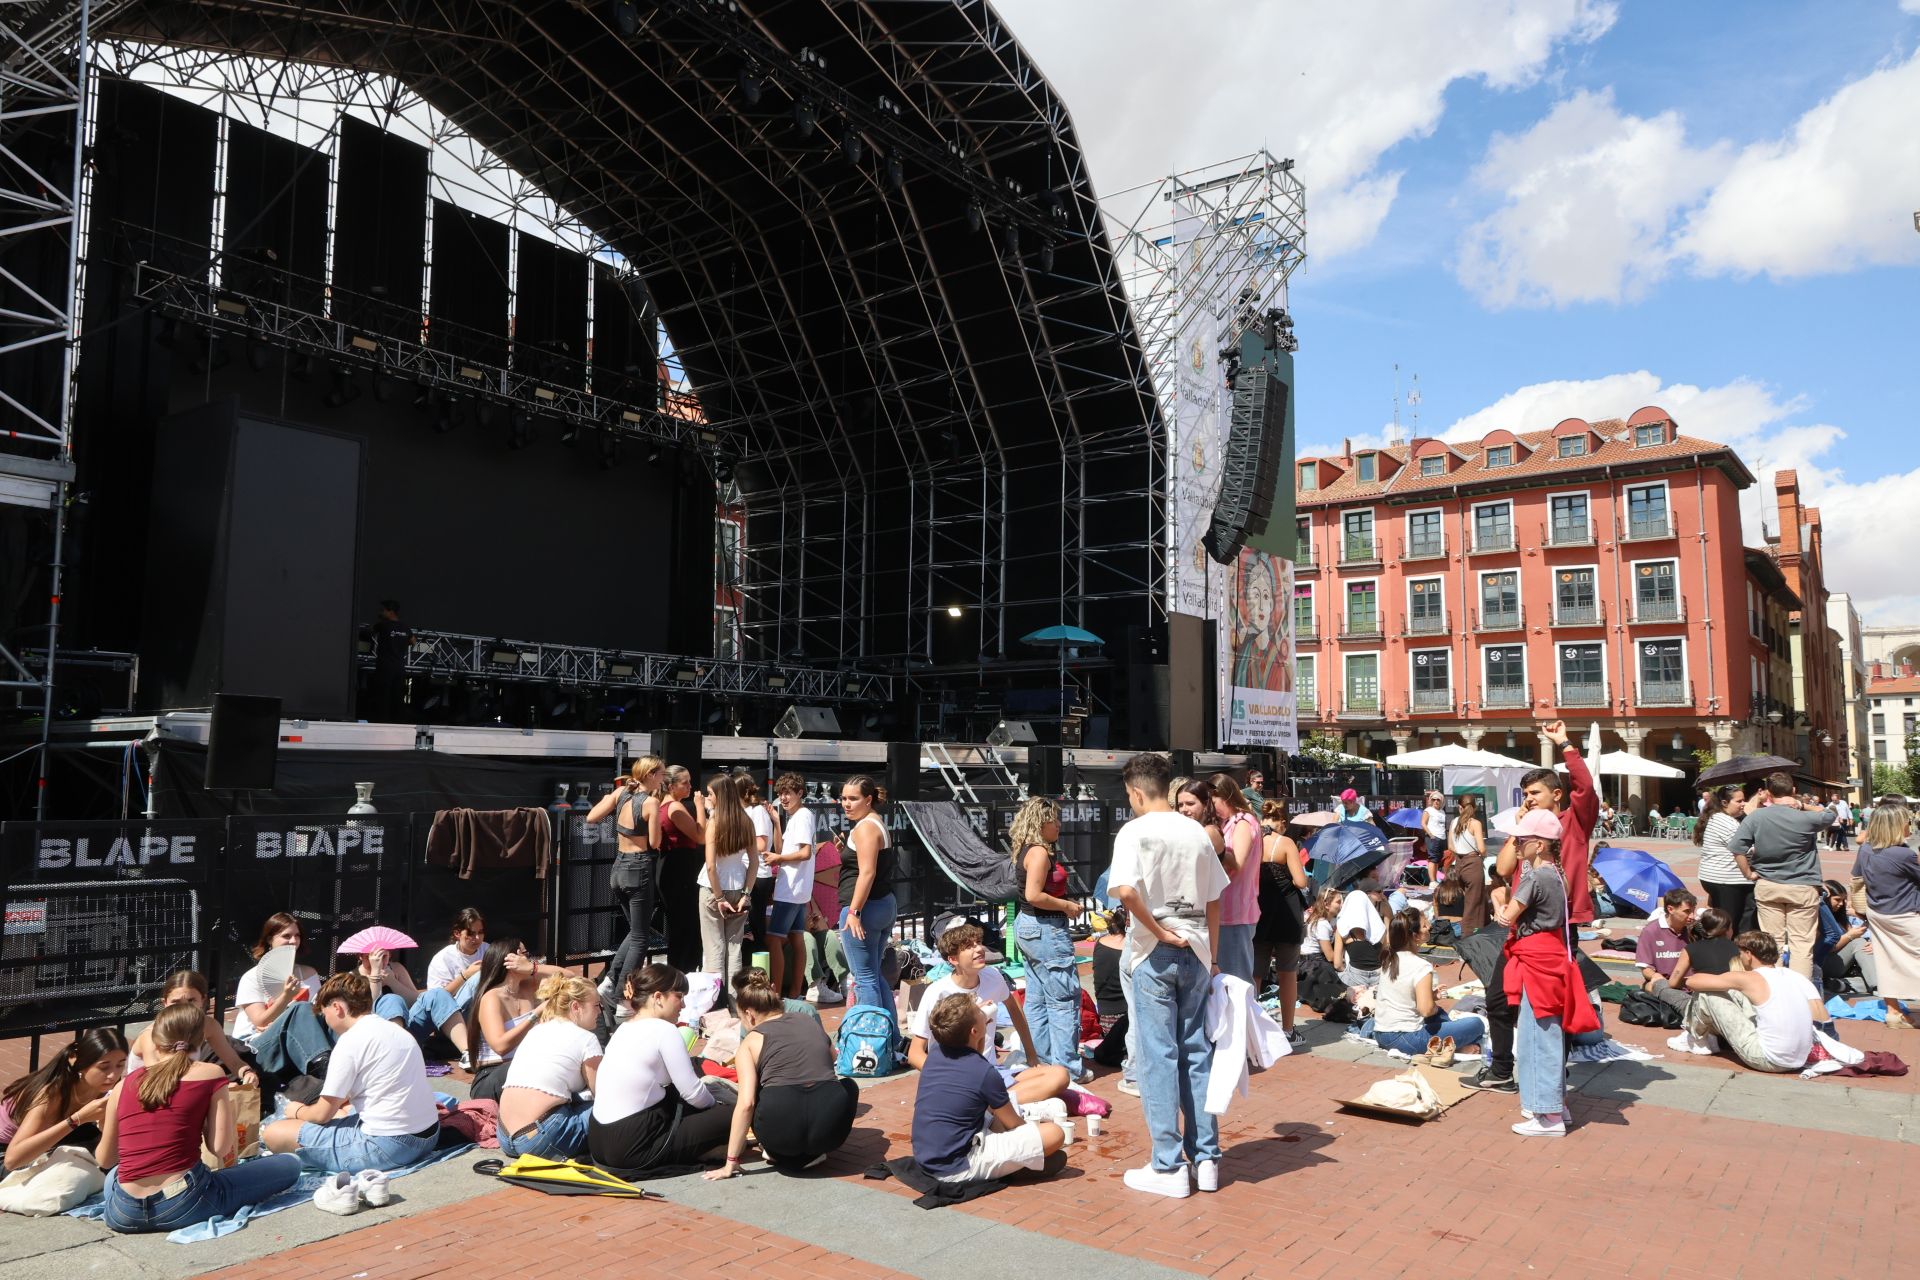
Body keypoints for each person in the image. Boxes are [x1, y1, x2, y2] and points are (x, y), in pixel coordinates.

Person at [1107, 752, 1229, 1200]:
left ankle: (1168, 1163)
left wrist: (1157, 929)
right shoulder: (1195, 832)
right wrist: (1211, 954)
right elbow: (1216, 898)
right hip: (1196, 947)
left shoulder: (1134, 831)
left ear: (1136, 792)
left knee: (1159, 1055)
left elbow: (1124, 890)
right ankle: (1207, 1158)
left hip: (1154, 949)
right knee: (1197, 1052)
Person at [97, 1004, 300, 1233]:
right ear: (201, 1040)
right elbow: (221, 1148)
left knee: (115, 1175)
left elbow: (104, 1160)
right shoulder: (210, 1073)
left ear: (155, 1041)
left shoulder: (124, 1085)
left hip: (123, 1212)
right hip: (185, 1201)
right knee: (290, 1165)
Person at [261, 973, 440, 1172]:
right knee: (343, 1111)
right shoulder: (396, 1030)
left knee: (274, 1133)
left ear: (337, 1008)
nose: (325, 1021)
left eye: (324, 1013)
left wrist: (296, 1110)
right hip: (429, 1136)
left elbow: (321, 1115)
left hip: (388, 1145)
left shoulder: (350, 1042)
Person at [1494, 808, 1595, 1139]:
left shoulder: (1535, 876)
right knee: (1548, 1032)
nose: (1517, 844)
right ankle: (1555, 1105)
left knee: (1537, 1036)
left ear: (1539, 844)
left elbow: (1508, 917)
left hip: (1536, 958)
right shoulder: (1558, 874)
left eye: (1522, 840)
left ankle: (1546, 1113)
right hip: (1551, 956)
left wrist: (1497, 902)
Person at [704, 970, 857, 1177]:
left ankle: (782, 1151)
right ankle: (814, 1151)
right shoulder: (808, 1021)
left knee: (753, 1088)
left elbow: (746, 1103)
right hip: (829, 1135)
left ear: (749, 1014)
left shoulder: (750, 1041)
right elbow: (831, 1059)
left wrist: (731, 1162)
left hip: (780, 1137)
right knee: (849, 1086)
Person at [589, 964, 736, 1174]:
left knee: (676, 1099)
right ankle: (706, 1148)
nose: (684, 1004)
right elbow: (692, 1092)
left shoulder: (624, 1029)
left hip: (600, 1141)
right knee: (735, 1114)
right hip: (632, 1144)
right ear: (658, 997)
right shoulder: (665, 1030)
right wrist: (716, 1106)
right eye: (679, 996)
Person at [906, 923, 1071, 1105]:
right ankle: (995, 1102)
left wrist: (1032, 1055)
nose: (979, 949)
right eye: (969, 947)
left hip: (991, 1071)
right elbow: (915, 1053)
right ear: (953, 959)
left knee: (1059, 1075)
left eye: (978, 942)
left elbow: (1014, 1007)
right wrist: (947, 1077)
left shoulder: (992, 976)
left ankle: (993, 1103)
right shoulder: (937, 992)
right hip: (959, 1078)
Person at [911, 993, 1066, 1186]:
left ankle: (1016, 1161)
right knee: (1054, 1133)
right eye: (979, 1012)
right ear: (974, 1032)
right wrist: (1033, 1140)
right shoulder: (983, 1072)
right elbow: (1014, 1125)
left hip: (927, 1156)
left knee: (994, 1113)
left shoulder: (935, 1055)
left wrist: (977, 1022)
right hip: (959, 1166)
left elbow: (972, 1056)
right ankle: (1012, 1167)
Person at [1727, 772, 1835, 981]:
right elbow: (1829, 814)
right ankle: (1800, 994)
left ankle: (1772, 990)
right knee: (1802, 944)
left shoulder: (1757, 817)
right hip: (1803, 886)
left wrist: (1748, 873)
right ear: (1793, 791)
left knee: (1771, 942)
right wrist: (1803, 805)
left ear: (1768, 793)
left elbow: (1737, 849)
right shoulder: (1806, 817)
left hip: (1768, 884)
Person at [1010, 796, 1087, 1078]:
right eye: (1055, 819)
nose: (1059, 825)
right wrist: (1066, 906)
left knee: (1038, 997)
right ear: (1042, 822)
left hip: (1029, 925)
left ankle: (1041, 1061)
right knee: (1063, 999)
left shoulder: (1028, 850)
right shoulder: (1040, 853)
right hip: (1045, 927)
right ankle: (1067, 1067)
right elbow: (1033, 894)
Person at [1670, 932, 1824, 1071]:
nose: (1739, 957)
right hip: (1799, 1058)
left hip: (1768, 1059)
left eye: (1740, 953)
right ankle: (1706, 1035)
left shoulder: (1749, 978)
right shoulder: (1793, 976)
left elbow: (1693, 983)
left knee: (1707, 994)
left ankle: (1695, 1039)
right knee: (1734, 992)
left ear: (1749, 954)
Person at [587, 757, 666, 1009]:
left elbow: (591, 817)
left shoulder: (622, 792)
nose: (663, 778)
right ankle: (621, 994)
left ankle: (610, 982)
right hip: (639, 866)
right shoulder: (651, 802)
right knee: (641, 937)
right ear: (651, 775)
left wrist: (615, 797)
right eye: (661, 774)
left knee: (635, 931)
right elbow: (654, 842)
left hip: (618, 867)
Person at [498, 974, 603, 1159]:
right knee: (617, 1109)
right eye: (595, 1005)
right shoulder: (586, 1039)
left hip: (505, 1136)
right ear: (576, 1007)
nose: (600, 1011)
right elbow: (602, 1095)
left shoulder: (536, 1030)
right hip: (540, 1137)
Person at [0, 1029, 127, 1171]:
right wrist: (77, 1119)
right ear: (77, 1062)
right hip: (6, 1152)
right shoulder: (52, 1094)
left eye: (120, 1065)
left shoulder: (109, 1086)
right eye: (104, 1067)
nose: (113, 1075)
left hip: (57, 1136)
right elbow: (11, 1161)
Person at [1365, 909, 1486, 1056]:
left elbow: (1401, 995)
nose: (1429, 927)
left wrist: (1431, 997)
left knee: (1439, 1014)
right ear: (1415, 936)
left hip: (1382, 1034)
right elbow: (1426, 1010)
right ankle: (1457, 1046)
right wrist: (1430, 1002)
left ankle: (1456, 1045)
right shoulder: (1420, 965)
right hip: (1406, 1039)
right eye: (1424, 925)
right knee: (1476, 1024)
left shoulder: (1390, 958)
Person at [1852, 799, 1920, 1028]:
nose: (1909, 825)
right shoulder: (1903, 855)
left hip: (1878, 912)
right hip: (1907, 913)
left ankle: (1893, 1012)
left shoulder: (1866, 850)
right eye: (1906, 821)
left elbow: (1857, 878)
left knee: (1887, 962)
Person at [836, 775, 898, 1026]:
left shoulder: (865, 828)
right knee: (872, 975)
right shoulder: (874, 823)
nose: (846, 804)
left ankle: (873, 1038)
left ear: (869, 799)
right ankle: (890, 1040)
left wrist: (854, 911)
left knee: (864, 977)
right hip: (881, 905)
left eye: (853, 799)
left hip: (865, 909)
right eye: (843, 798)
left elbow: (868, 872)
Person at [469, 938, 563, 1102]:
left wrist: (532, 968)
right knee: (538, 1067)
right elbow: (500, 1046)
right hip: (493, 1074)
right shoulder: (492, 998)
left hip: (524, 1067)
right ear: (511, 960)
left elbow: (570, 977)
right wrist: (535, 1015)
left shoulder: (528, 986)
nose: (529, 958)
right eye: (526, 955)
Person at [125, 972, 257, 1086]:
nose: (184, 1008)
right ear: (164, 1003)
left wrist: (247, 1073)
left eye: (191, 1001)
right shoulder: (151, 1035)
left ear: (203, 1000)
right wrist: (215, 1087)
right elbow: (158, 1080)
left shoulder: (208, 1025)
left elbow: (234, 1062)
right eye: (175, 1003)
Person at [699, 773, 760, 1008]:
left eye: (710, 793)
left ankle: (714, 1007)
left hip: (714, 889)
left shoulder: (715, 822)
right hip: (739, 887)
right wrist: (747, 894)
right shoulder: (746, 820)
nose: (707, 796)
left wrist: (719, 897)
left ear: (719, 796)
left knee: (714, 948)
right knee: (734, 949)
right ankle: (735, 1006)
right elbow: (754, 861)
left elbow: (711, 866)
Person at [1251, 803, 1309, 1040]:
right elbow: (1301, 881)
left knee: (1254, 974)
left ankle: (1250, 1030)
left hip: (1259, 911)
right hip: (1286, 913)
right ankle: (1287, 1030)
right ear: (1283, 822)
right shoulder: (1284, 843)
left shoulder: (1251, 840)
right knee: (1287, 973)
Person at [231, 913, 324, 1048]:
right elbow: (260, 1022)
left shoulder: (309, 973)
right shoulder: (251, 978)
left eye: (297, 935)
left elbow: (318, 1011)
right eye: (286, 936)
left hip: (297, 1037)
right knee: (301, 1007)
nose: (293, 941)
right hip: (254, 1043)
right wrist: (286, 996)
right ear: (270, 939)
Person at [766, 773, 817, 1000]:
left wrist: (779, 860)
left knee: (774, 938)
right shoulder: (796, 817)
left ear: (800, 793)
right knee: (796, 938)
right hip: (797, 889)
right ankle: (795, 992)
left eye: (788, 793)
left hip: (791, 889)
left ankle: (776, 993)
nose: (783, 798)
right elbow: (782, 848)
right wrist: (776, 822)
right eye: (780, 794)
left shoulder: (803, 816)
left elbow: (805, 853)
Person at [1209, 774, 1262, 984]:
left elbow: (1238, 862)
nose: (1211, 806)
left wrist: (1215, 847)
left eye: (1213, 801)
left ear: (1225, 796)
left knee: (1236, 983)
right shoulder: (1228, 822)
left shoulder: (1243, 822)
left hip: (1236, 913)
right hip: (1226, 912)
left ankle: (1244, 1018)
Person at [656, 765, 708, 973]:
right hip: (680, 869)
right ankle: (681, 974)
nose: (689, 786)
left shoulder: (664, 805)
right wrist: (700, 806)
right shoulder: (675, 808)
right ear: (671, 786)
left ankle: (679, 973)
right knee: (686, 926)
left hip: (673, 867)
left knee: (681, 925)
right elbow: (701, 836)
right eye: (684, 783)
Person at [735, 770, 780, 971]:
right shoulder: (741, 810)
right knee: (746, 928)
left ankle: (761, 976)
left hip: (758, 875)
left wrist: (734, 842)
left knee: (756, 927)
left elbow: (762, 844)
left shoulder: (758, 811)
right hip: (742, 873)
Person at [1695, 786, 1754, 935]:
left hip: (1721, 878)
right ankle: (1726, 950)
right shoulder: (1724, 821)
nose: (1743, 804)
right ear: (1724, 803)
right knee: (1728, 922)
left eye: (1744, 800)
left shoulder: (1726, 818)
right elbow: (1744, 848)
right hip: (1726, 880)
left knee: (1731, 919)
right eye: (1739, 801)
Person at [1636, 889, 1698, 1018]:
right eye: (1687, 911)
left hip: (1692, 984)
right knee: (1651, 985)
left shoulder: (1695, 930)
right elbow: (1646, 969)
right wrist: (1657, 977)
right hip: (1666, 984)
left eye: (1693, 911)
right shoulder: (1651, 931)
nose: (1692, 916)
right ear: (1670, 909)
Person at [1814, 879, 1874, 995]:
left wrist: (1858, 917)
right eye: (1837, 900)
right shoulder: (1819, 917)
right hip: (1824, 962)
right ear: (1826, 899)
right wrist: (1850, 936)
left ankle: (1841, 984)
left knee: (1865, 944)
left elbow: (1853, 933)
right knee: (1858, 942)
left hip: (1842, 964)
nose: (1841, 904)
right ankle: (1877, 985)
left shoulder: (1841, 917)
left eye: (1843, 900)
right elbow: (1825, 947)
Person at [1663, 906, 1738, 995]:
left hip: (1703, 1000)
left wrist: (1691, 982)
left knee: (1659, 985)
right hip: (1734, 996)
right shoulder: (1738, 948)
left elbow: (1673, 983)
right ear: (1726, 930)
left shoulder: (1690, 949)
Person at [1450, 794, 1490, 931]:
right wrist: (1482, 855)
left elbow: (1450, 846)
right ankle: (1468, 937)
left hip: (1459, 864)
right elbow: (1482, 848)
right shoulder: (1475, 823)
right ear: (1475, 807)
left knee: (1475, 900)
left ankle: (1484, 929)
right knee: (1473, 904)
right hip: (1473, 863)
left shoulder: (1454, 822)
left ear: (1459, 807)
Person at [366, 598, 410, 721]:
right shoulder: (405, 627)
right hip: (400, 667)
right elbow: (413, 640)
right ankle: (398, 722)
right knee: (398, 696)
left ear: (390, 611)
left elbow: (370, 629)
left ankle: (382, 722)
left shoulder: (383, 625)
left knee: (383, 696)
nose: (381, 612)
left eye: (382, 610)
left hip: (385, 666)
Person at [1176, 778, 1226, 856]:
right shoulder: (1190, 829)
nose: (1184, 809)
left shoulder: (1209, 832)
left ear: (1205, 805)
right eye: (1180, 805)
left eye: (1190, 803)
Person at [1422, 792, 1448, 864]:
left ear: (1441, 801)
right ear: (1431, 801)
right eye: (1434, 799)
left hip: (1442, 838)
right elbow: (1423, 823)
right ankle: (1432, 876)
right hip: (1433, 838)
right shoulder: (1428, 810)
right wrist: (1431, 835)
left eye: (1438, 800)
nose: (1436, 801)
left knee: (1439, 858)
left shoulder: (1442, 812)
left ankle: (1436, 875)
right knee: (1433, 859)